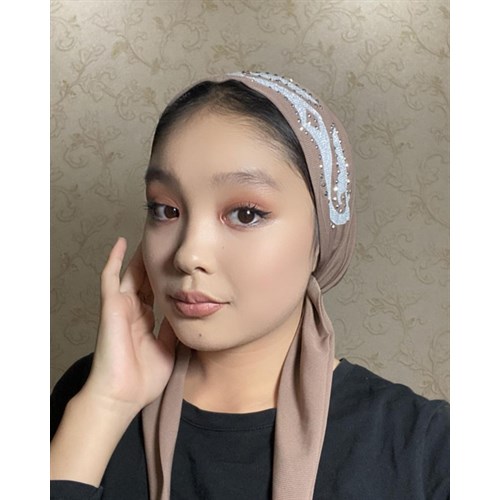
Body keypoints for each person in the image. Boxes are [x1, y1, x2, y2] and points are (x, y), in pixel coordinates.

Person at [50, 72, 449, 500]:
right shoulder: (89, 393)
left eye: (245, 214)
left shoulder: (427, 448)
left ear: (323, 235)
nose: (188, 254)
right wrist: (107, 404)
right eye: (165, 209)